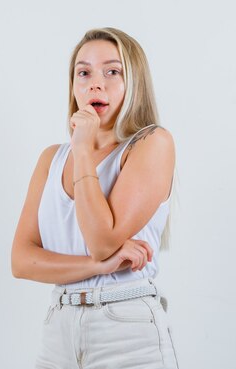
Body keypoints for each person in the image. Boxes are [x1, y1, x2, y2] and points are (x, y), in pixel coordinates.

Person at [11, 27, 179, 369]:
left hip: (126, 330)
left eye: (112, 72)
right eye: (83, 72)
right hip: (60, 326)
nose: (95, 84)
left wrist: (83, 147)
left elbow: (102, 240)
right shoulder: (51, 159)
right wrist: (96, 267)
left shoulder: (152, 144)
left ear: (135, 83)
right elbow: (22, 260)